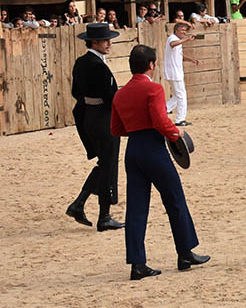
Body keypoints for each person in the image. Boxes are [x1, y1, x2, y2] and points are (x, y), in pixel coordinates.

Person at [111, 44, 208, 280]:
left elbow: (116, 129)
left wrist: (137, 130)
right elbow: (159, 120)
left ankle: (138, 264)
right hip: (153, 148)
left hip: (133, 149)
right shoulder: (153, 89)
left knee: (135, 209)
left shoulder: (120, 94)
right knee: (174, 199)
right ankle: (185, 252)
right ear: (152, 65)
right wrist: (176, 133)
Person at [67, 22, 125, 232]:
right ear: (94, 42)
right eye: (105, 40)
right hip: (103, 118)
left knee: (104, 164)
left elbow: (75, 92)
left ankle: (79, 204)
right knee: (108, 165)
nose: (109, 43)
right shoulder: (98, 65)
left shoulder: (81, 63)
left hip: (89, 116)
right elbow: (111, 98)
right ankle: (104, 216)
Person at [164, 22, 200, 127]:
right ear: (176, 31)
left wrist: (191, 59)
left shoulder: (177, 40)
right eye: (182, 30)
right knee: (181, 96)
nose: (184, 32)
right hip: (174, 73)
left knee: (177, 96)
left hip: (174, 72)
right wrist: (187, 39)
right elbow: (173, 44)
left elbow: (180, 55)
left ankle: (164, 110)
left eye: (185, 30)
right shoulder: (172, 38)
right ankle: (180, 119)